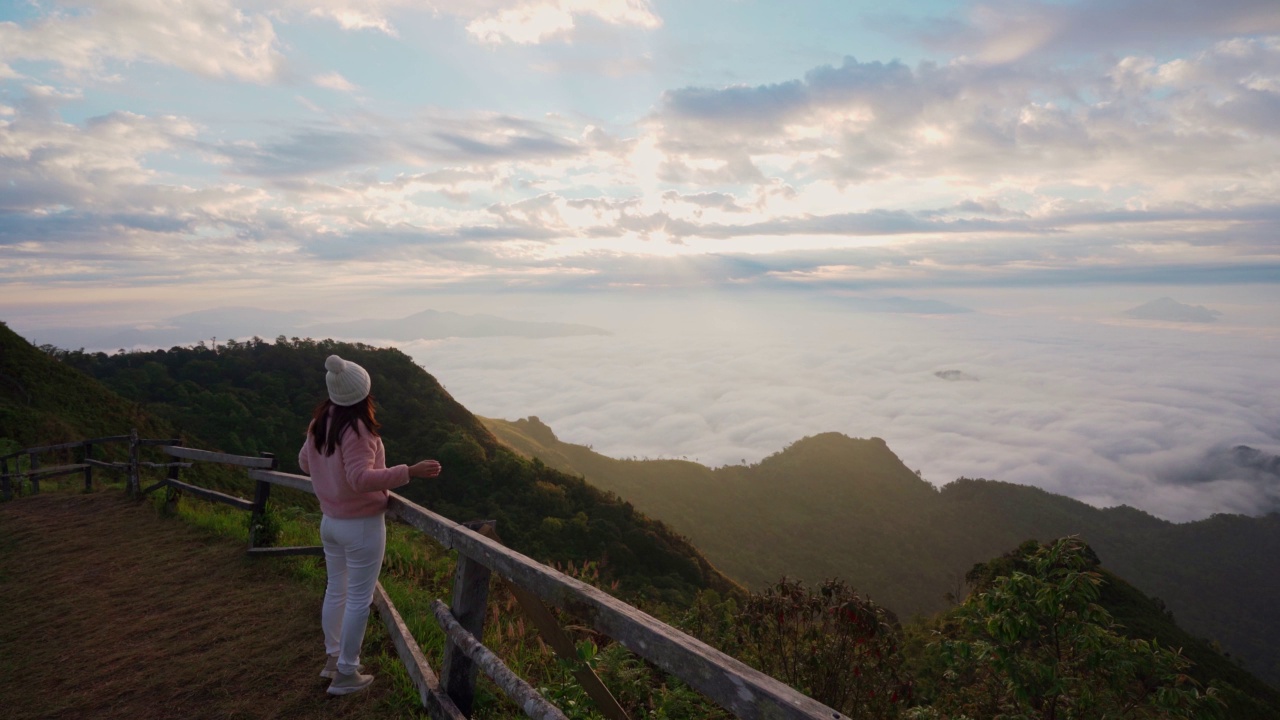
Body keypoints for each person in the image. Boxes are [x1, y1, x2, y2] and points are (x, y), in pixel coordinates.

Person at [298, 354, 442, 696]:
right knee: (359, 599)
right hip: (360, 525)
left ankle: (333, 661)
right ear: (364, 392)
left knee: (336, 590)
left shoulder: (321, 421)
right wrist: (411, 471)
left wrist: (329, 479)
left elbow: (305, 463)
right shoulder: (358, 429)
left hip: (330, 522)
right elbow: (361, 478)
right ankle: (347, 673)